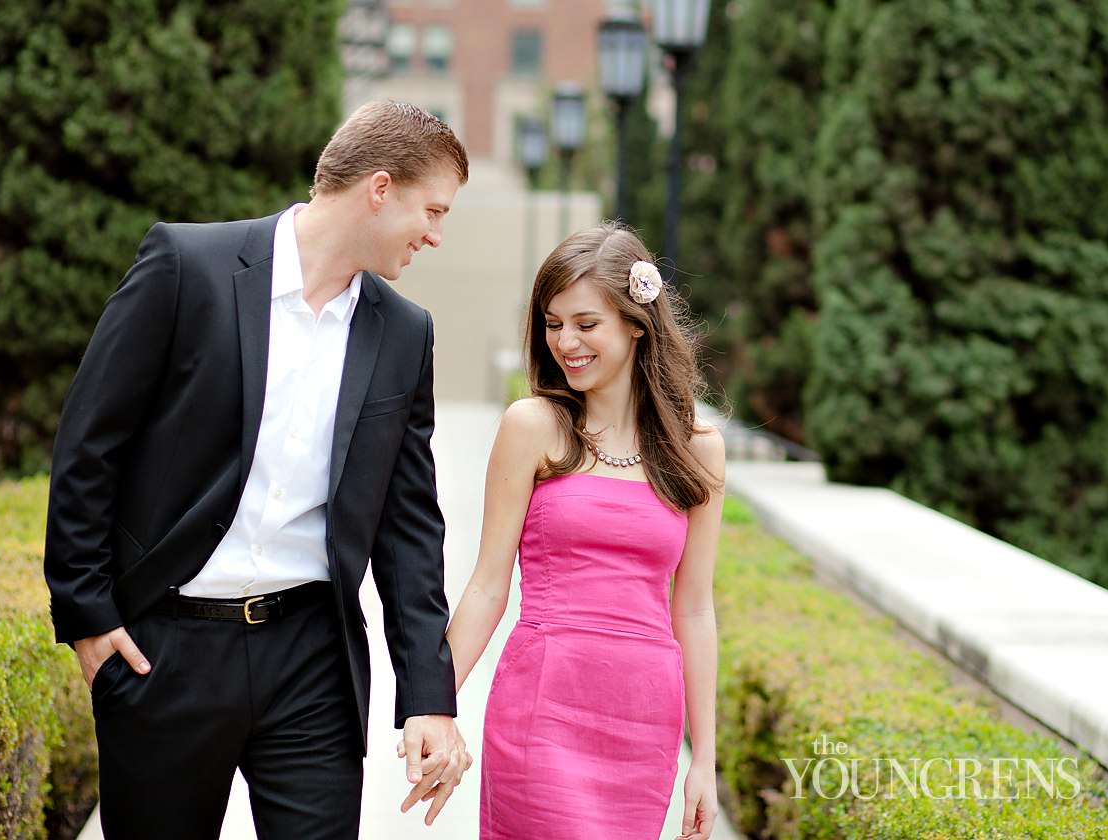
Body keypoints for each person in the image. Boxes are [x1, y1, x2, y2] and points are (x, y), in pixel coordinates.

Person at [44, 101, 473, 839]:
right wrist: (88, 616)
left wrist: (427, 696)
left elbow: (409, 529)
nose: (435, 234)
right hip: (165, 653)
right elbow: (89, 445)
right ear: (379, 188)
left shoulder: (405, 334)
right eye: (431, 210)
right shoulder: (187, 267)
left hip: (312, 658)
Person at [444, 222, 725, 840]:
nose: (565, 341)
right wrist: (435, 705)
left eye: (585, 323)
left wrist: (702, 761)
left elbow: (696, 609)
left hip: (643, 716)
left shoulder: (699, 451)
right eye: (552, 323)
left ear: (635, 322)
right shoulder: (533, 426)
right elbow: (488, 584)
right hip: (542, 704)